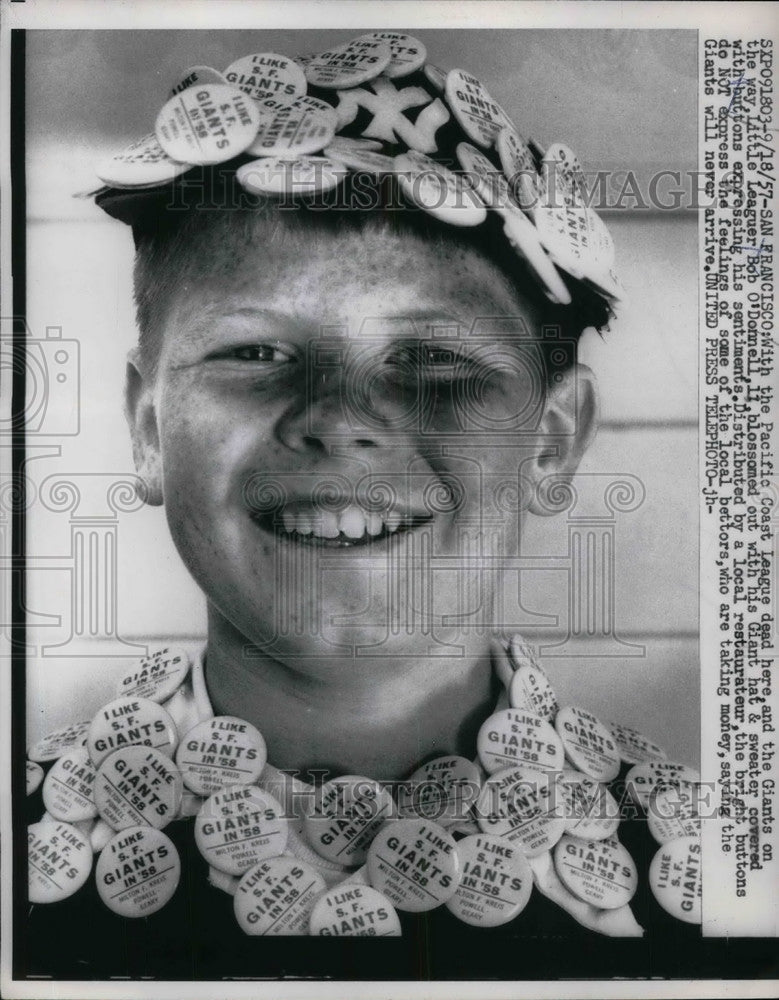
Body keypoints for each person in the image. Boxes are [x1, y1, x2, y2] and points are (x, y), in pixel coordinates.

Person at [22, 35, 701, 977]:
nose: (338, 423)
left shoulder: (721, 876)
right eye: (254, 354)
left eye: (432, 361)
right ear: (148, 430)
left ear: (550, 441)